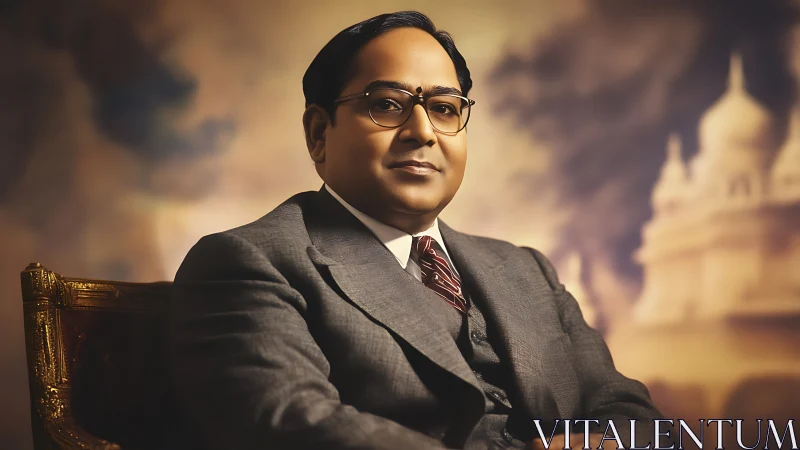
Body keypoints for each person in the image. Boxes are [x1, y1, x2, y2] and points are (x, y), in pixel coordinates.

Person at [168, 11, 665, 450]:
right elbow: (291, 425)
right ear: (320, 134)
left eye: (446, 108)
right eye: (387, 104)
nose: (423, 130)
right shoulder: (251, 261)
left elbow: (633, 417)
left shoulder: (527, 269)